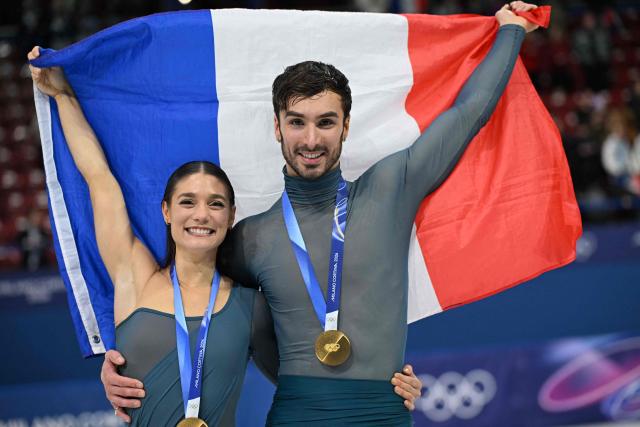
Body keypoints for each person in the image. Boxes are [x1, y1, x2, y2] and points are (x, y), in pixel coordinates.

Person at [103, 2, 539, 425]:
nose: (311, 139)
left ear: (346, 126)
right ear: (277, 127)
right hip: (296, 415)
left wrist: (509, 30)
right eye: (297, 122)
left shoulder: (390, 189)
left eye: (326, 122)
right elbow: (187, 300)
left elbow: (468, 114)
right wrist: (120, 366)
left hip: (382, 413)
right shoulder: (249, 239)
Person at [28, 46, 422, 425]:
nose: (201, 214)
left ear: (232, 216)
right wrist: (63, 96)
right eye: (187, 202)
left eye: (216, 204)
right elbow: (99, 179)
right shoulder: (134, 277)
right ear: (165, 211)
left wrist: (387, 385)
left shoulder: (249, 305)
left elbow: (306, 378)